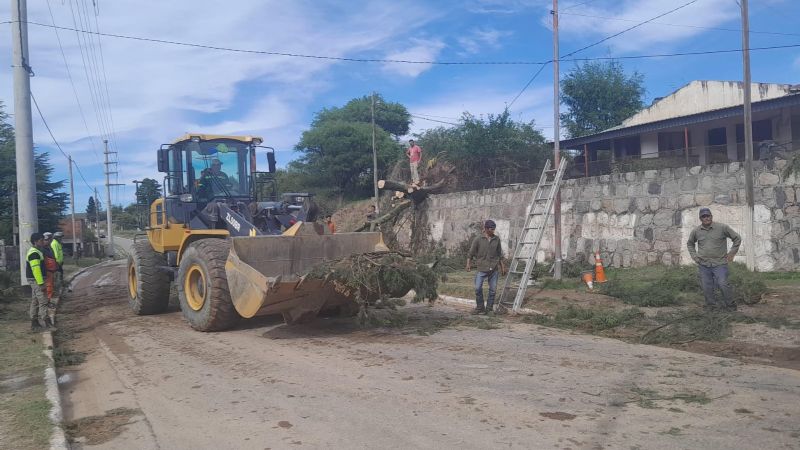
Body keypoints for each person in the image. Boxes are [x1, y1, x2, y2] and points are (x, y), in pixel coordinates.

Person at [686, 207, 742, 311]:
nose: (706, 218)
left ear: (711, 216)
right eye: (704, 216)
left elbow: (737, 238)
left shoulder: (722, 228)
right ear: (700, 218)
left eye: (708, 216)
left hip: (720, 263)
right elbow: (690, 244)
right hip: (703, 264)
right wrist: (694, 256)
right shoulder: (696, 231)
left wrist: (731, 253)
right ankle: (711, 307)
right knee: (707, 286)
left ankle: (730, 306)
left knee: (723, 284)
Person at [466, 220, 505, 315]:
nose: (493, 231)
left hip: (494, 268)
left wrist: (503, 267)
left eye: (494, 229)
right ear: (486, 229)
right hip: (482, 268)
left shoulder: (497, 239)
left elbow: (499, 254)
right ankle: (480, 307)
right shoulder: (478, 239)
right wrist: (468, 264)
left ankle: (489, 309)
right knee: (478, 288)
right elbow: (470, 253)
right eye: (492, 229)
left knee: (493, 289)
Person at [26, 233, 52, 331]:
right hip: (36, 280)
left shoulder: (36, 251)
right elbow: (36, 270)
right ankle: (46, 322)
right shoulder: (34, 253)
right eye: (41, 240)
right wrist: (41, 283)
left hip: (35, 279)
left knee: (35, 301)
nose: (43, 242)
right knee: (43, 300)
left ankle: (34, 323)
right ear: (36, 241)